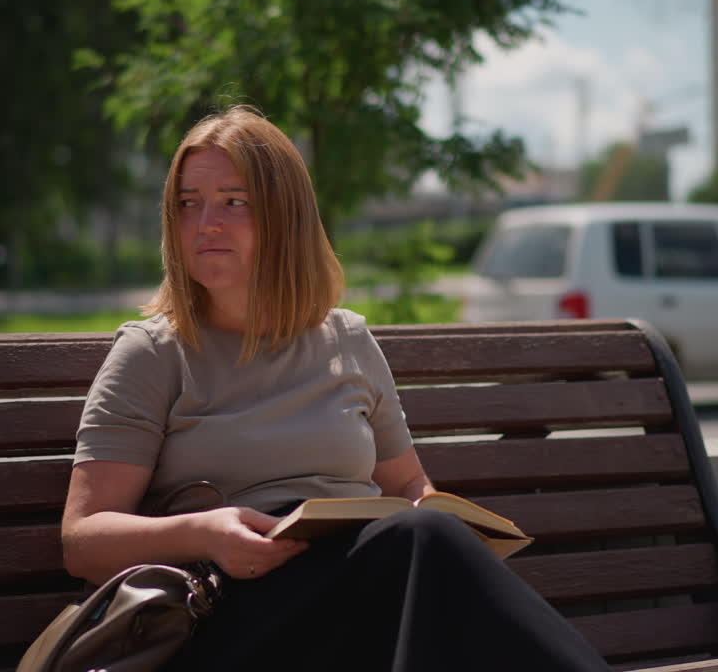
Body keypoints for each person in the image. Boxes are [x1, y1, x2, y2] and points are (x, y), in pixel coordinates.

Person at [60, 105, 612, 671]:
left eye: (233, 201)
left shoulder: (346, 339)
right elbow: (83, 541)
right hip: (225, 614)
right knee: (422, 544)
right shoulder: (154, 353)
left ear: (286, 217)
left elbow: (408, 485)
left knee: (428, 541)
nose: (205, 224)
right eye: (187, 203)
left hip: (358, 597)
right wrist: (204, 534)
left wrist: (432, 510)